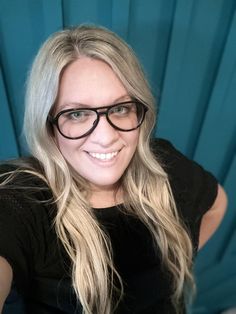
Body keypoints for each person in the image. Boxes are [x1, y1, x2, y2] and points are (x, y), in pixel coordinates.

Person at [0, 25, 227, 314]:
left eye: (120, 108)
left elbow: (217, 203)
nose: (106, 137)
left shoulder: (162, 166)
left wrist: (175, 262)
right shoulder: (20, 200)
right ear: (48, 125)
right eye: (77, 114)